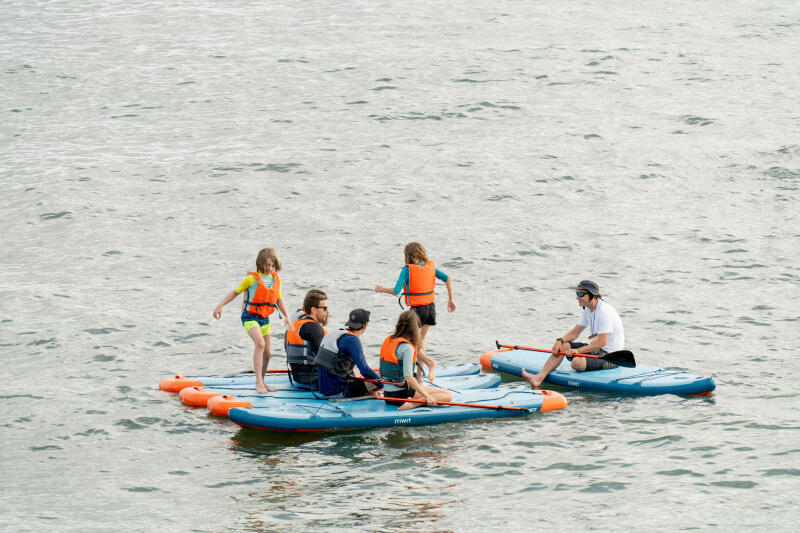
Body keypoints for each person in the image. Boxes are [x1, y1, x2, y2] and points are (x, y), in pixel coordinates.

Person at [374, 241, 455, 382]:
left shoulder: (407, 270)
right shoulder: (430, 266)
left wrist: (381, 289)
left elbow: (396, 291)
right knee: (420, 341)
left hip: (417, 311)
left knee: (411, 343)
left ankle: (430, 363)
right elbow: (447, 279)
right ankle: (420, 376)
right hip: (431, 308)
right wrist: (451, 300)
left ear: (408, 255)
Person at [213, 248, 291, 394]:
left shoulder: (275, 279)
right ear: (261, 263)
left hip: (264, 318)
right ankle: (258, 383)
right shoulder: (251, 279)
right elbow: (235, 293)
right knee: (260, 344)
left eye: (272, 266)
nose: (270, 268)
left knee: (267, 353)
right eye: (267, 265)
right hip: (249, 317)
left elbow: (279, 300)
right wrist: (220, 306)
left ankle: (262, 380)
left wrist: (287, 315)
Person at [523, 280, 625, 389]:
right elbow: (576, 332)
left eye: (581, 294)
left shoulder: (604, 312)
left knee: (576, 363)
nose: (577, 297)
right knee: (563, 346)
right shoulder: (587, 308)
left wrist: (579, 351)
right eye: (577, 294)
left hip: (612, 356)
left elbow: (602, 342)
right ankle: (538, 378)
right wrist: (560, 340)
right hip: (597, 350)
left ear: (593, 296)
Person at [380, 310, 453, 410]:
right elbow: (409, 378)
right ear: (415, 328)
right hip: (401, 396)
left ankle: (430, 364)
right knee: (447, 395)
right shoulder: (407, 348)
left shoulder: (389, 340)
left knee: (424, 388)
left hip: (387, 395)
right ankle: (412, 404)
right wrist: (427, 396)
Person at [315, 309, 383, 398]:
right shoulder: (352, 340)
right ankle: (373, 394)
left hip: (324, 389)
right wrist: (382, 383)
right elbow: (365, 370)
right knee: (379, 377)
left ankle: (371, 393)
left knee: (359, 373)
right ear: (365, 325)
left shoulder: (336, 333)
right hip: (338, 391)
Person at [284, 289, 329, 390]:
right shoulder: (314, 328)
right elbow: (324, 360)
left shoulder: (296, 322)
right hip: (313, 382)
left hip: (297, 380)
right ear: (313, 310)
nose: (327, 311)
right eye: (324, 308)